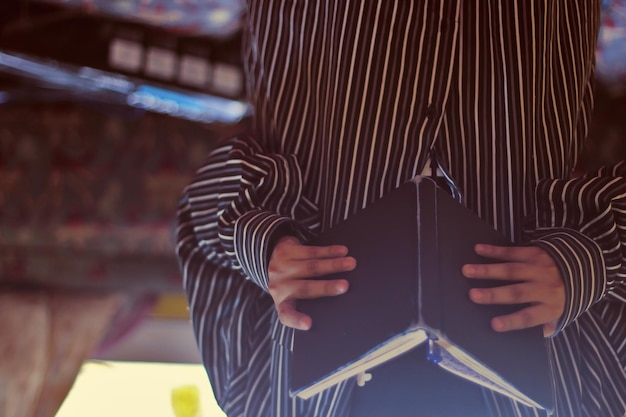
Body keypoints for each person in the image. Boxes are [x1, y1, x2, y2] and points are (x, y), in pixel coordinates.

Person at [176, 1, 626, 416]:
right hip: (522, 31)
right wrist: (584, 265)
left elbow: (198, 218)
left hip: (324, 34)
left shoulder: (259, 403)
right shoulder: (592, 405)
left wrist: (265, 247)